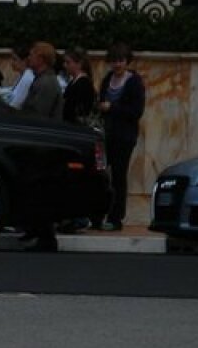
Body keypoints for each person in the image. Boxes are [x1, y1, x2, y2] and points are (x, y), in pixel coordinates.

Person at [18, 41, 64, 251]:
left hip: (43, 146)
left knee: (41, 190)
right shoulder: (41, 80)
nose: (29, 58)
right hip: (39, 144)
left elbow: (39, 115)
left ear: (42, 59)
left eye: (32, 54)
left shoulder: (46, 83)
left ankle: (46, 237)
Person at [97, 41, 146, 231]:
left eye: (121, 61)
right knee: (100, 174)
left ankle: (116, 217)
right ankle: (97, 213)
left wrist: (112, 108)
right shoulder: (107, 78)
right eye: (114, 61)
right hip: (105, 135)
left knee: (118, 176)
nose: (117, 65)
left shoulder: (134, 82)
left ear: (127, 62)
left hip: (124, 137)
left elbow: (136, 111)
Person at [58, 46, 98, 233]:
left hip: (77, 136)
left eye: (69, 62)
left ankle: (81, 216)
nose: (66, 66)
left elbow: (80, 111)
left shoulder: (83, 84)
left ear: (79, 63)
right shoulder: (74, 82)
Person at [1, 42, 33, 108]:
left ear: (24, 60)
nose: (12, 62)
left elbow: (15, 104)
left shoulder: (27, 78)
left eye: (15, 59)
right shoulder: (23, 75)